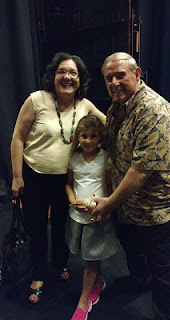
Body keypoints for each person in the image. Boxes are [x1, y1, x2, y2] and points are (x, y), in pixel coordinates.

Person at [11, 52, 106, 304]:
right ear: (53, 75)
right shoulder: (36, 100)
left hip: (65, 181)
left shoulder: (84, 105)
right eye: (61, 71)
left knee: (64, 226)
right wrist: (17, 177)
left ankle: (60, 264)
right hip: (35, 177)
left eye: (73, 73)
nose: (67, 77)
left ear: (80, 78)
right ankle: (38, 274)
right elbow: (18, 138)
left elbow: (108, 125)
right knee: (37, 227)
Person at [92, 52, 170, 320]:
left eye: (121, 75)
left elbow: (140, 172)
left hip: (156, 209)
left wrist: (109, 203)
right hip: (128, 207)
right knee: (134, 253)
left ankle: (166, 313)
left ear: (137, 73)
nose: (115, 82)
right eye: (109, 78)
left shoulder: (154, 111)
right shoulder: (118, 107)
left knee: (164, 269)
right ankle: (139, 282)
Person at [65, 115, 119, 320]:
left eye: (94, 136)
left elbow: (110, 185)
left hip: (97, 215)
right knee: (88, 253)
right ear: (78, 136)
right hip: (78, 215)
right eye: (84, 136)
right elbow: (69, 183)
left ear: (101, 138)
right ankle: (98, 282)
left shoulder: (104, 157)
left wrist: (108, 209)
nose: (88, 141)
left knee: (89, 258)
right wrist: (72, 200)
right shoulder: (74, 158)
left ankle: (83, 302)